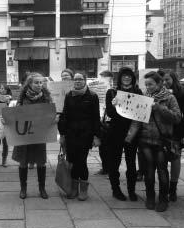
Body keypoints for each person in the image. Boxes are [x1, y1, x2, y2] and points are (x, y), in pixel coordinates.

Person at [125, 71, 181, 212]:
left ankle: (163, 199)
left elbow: (177, 117)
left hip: (162, 141)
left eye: (151, 84)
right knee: (148, 171)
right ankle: (150, 197)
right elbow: (136, 120)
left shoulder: (169, 98)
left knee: (162, 171)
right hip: (145, 140)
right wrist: (129, 137)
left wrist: (159, 108)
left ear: (159, 83)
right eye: (146, 84)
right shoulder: (143, 98)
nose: (148, 87)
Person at [12, 72, 55, 199]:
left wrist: (54, 118)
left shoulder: (46, 97)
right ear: (30, 84)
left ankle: (42, 188)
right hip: (25, 135)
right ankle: (23, 189)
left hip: (39, 135)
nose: (39, 85)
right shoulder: (22, 97)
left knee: (41, 162)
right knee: (23, 162)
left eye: (41, 82)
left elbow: (50, 114)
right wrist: (8, 120)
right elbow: (16, 114)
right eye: (36, 82)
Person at [58, 72, 101, 200]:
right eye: (75, 79)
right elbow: (65, 116)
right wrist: (63, 134)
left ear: (85, 80)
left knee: (81, 162)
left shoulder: (92, 96)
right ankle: (73, 189)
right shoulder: (69, 95)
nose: (77, 81)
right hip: (71, 134)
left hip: (85, 134)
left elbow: (95, 118)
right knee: (71, 161)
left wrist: (96, 136)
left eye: (80, 79)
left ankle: (83, 190)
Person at [106, 67, 142, 201]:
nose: (127, 78)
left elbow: (140, 112)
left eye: (129, 76)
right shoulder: (112, 92)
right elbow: (110, 113)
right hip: (115, 132)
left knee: (131, 163)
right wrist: (116, 104)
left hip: (132, 132)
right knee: (114, 163)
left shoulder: (138, 92)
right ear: (119, 78)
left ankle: (131, 191)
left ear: (132, 78)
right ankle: (116, 190)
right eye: (124, 76)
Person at [160, 70, 184, 202]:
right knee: (162, 159)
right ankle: (165, 186)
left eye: (168, 79)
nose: (165, 82)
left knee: (175, 158)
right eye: (163, 80)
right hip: (163, 130)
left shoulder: (182, 92)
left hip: (177, 131)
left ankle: (173, 188)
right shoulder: (160, 92)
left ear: (174, 79)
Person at [96, 70, 114, 175]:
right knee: (102, 147)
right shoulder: (99, 89)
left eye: (102, 77)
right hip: (101, 120)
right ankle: (105, 168)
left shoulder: (113, 90)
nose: (100, 80)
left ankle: (110, 169)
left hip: (109, 122)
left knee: (109, 148)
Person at [0, 84, 12, 167]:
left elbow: (12, 110)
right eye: (1, 88)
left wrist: (8, 103)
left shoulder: (10, 99)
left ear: (7, 90)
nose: (2, 90)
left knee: (5, 143)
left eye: (4, 89)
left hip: (6, 123)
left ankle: (4, 160)